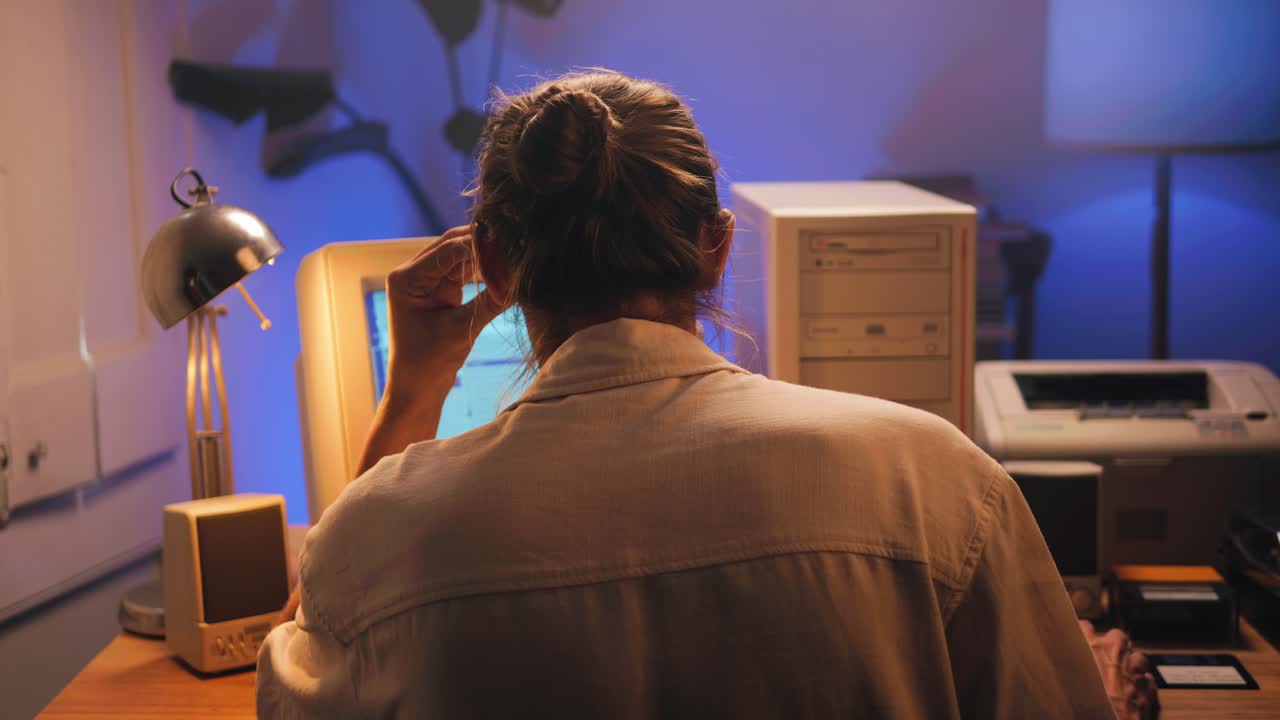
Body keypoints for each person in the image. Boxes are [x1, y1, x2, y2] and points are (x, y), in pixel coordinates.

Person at [257, 70, 1155, 719]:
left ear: (492, 262)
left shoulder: (380, 534)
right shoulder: (939, 480)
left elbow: (296, 680)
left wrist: (412, 391)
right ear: (718, 248)